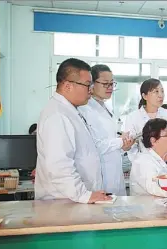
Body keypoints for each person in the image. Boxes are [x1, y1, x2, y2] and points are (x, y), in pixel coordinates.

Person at [35, 58, 111, 204]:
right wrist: (83, 195)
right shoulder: (57, 115)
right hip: (62, 202)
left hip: (74, 200)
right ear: (68, 86)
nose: (91, 90)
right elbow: (59, 166)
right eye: (87, 85)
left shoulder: (69, 111)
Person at [78, 64, 134, 196]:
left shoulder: (106, 107)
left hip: (114, 170)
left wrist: (123, 146)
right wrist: (120, 142)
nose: (110, 88)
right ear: (91, 84)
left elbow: (109, 139)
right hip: (100, 173)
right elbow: (94, 146)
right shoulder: (85, 109)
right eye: (105, 84)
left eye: (112, 83)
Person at [123, 78, 167, 162]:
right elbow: (131, 147)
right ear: (145, 96)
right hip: (144, 164)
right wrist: (140, 162)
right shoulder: (133, 117)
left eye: (162, 91)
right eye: (156, 91)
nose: (161, 95)